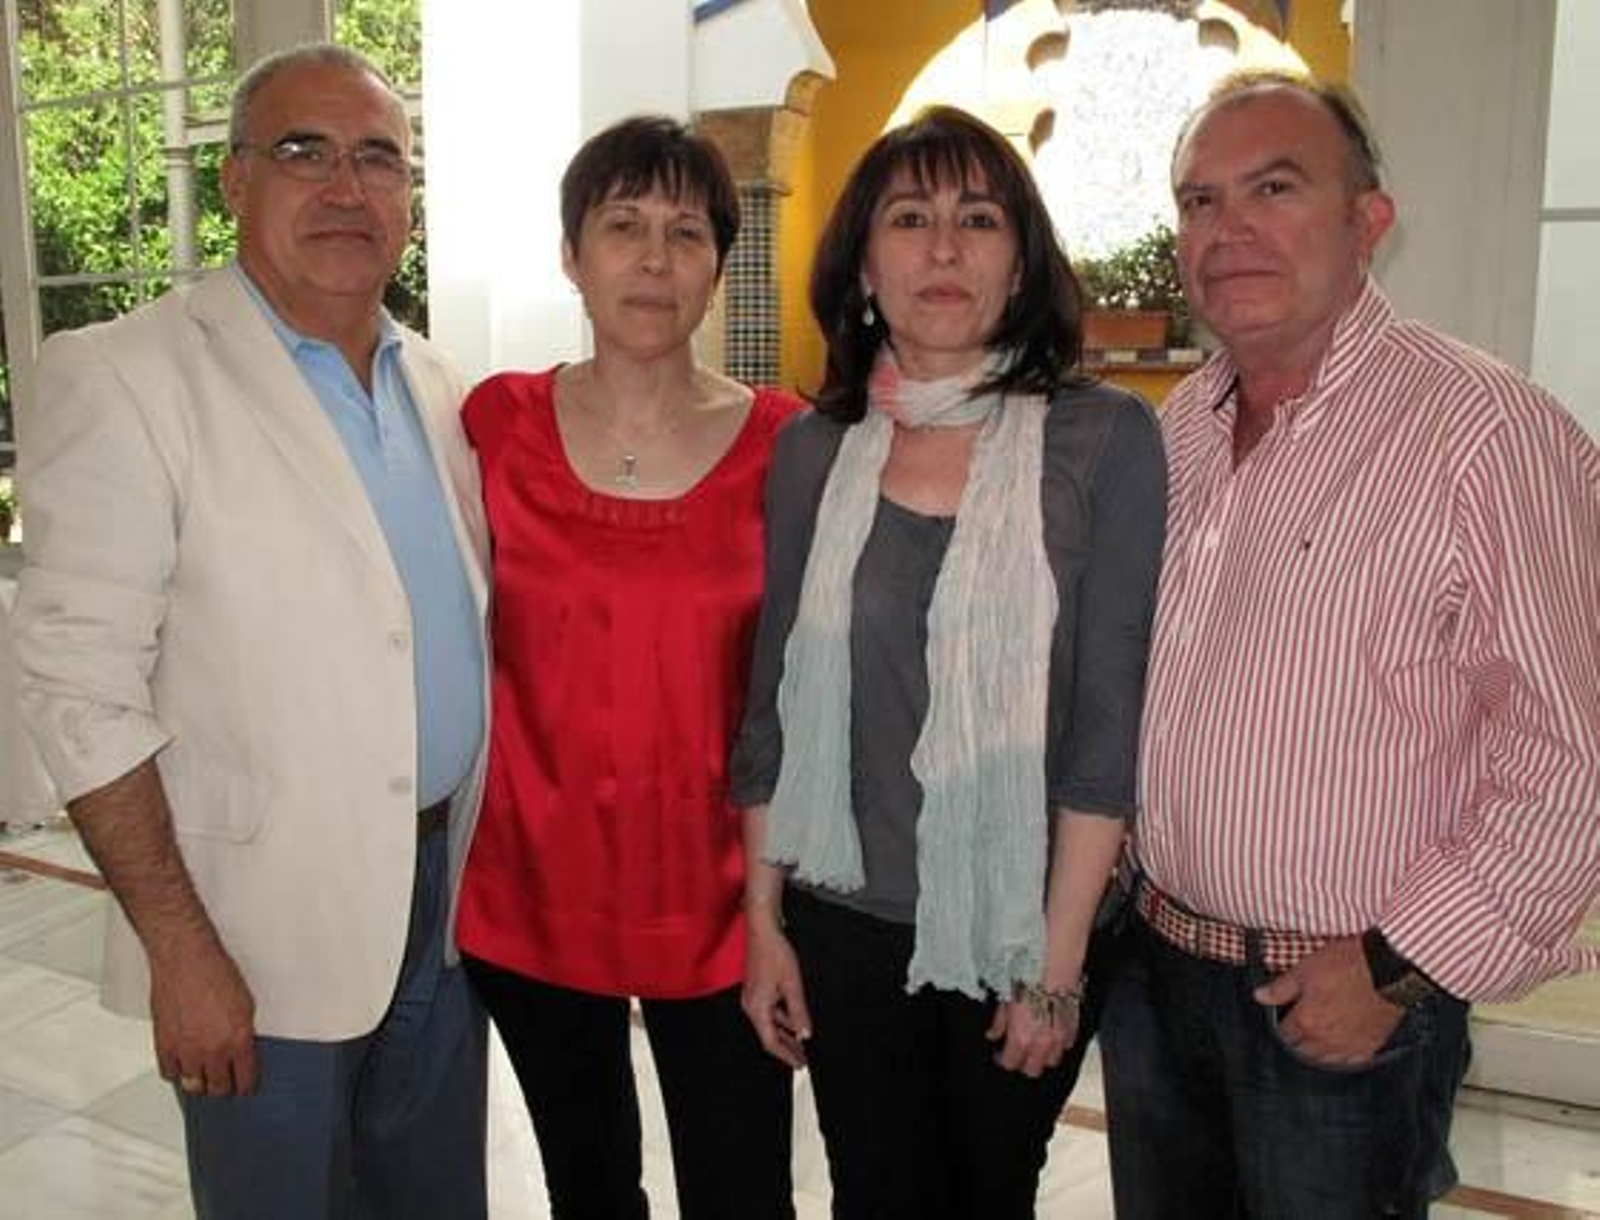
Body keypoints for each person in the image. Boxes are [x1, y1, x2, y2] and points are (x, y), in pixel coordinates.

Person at [1101, 70, 1600, 1219]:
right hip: (1159, 970)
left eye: (1272, 188)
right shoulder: (1179, 424)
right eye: (1199, 201)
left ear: (1367, 220)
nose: (1225, 231)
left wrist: (1393, 963)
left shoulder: (1484, 432)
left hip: (1337, 1000)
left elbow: (1569, 758)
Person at [11, 44, 490, 1220]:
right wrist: (181, 950)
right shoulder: (128, 374)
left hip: (443, 899)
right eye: (301, 152)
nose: (345, 187)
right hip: (252, 930)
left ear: (408, 197)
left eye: (378, 158)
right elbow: (76, 688)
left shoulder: (435, 383)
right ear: (231, 182)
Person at [733, 106, 1167, 1218]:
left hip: (1021, 921)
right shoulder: (812, 449)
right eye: (909, 217)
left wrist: (1055, 963)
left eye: (977, 219)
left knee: (986, 1196)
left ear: (1020, 261)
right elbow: (772, 705)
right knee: (874, 1195)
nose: (941, 247)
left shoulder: (1103, 437)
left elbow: (1105, 724)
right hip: (844, 921)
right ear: (863, 261)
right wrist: (763, 922)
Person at [454, 115, 800, 1220]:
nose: (653, 259)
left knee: (741, 1189)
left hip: (724, 898)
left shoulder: (791, 444)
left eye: (685, 232)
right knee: (588, 1184)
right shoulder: (490, 423)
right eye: (622, 226)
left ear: (716, 267)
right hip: (532, 888)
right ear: (571, 253)